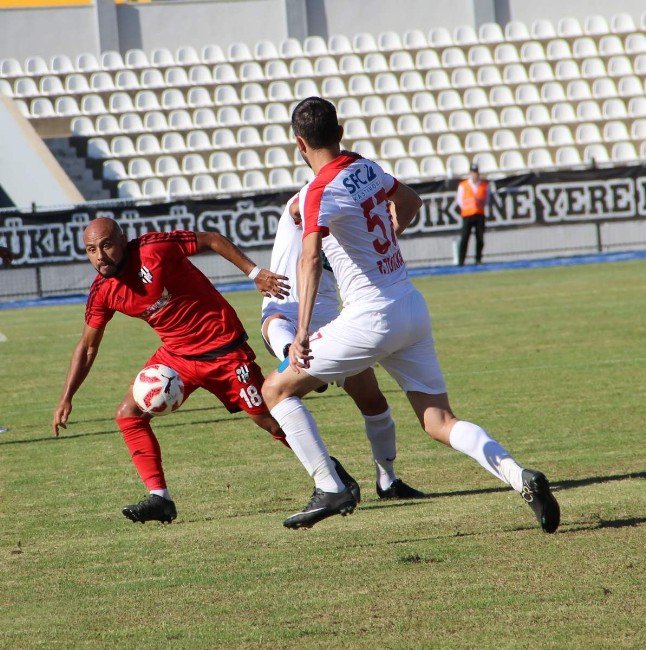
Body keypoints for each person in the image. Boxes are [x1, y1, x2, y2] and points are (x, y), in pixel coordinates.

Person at [261, 97, 560, 534]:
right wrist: (390, 236)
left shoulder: (318, 191)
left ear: (299, 144)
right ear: (340, 132)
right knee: (439, 420)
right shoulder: (365, 167)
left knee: (275, 389)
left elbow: (308, 261)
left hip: (370, 317)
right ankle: (520, 477)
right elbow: (411, 200)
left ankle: (331, 486)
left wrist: (303, 330)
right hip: (410, 306)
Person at [52, 218, 294, 524]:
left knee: (269, 421)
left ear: (122, 240)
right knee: (128, 414)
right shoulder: (103, 291)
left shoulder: (155, 248)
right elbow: (88, 346)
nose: (100, 255)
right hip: (177, 354)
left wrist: (255, 273)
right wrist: (66, 397)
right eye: (91, 250)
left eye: (107, 245)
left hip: (222, 347)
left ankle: (331, 474)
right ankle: (160, 499)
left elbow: (211, 239)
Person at [261, 193, 425, 500]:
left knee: (374, 403)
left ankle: (388, 481)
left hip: (328, 319)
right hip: (286, 305)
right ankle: (293, 359)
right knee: (276, 324)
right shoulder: (313, 198)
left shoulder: (348, 231)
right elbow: (299, 207)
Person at [456, 163, 489, 266]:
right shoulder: (463, 185)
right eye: (473, 172)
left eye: (476, 172)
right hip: (467, 214)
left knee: (480, 238)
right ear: (470, 173)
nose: (475, 175)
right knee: (465, 238)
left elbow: (487, 199)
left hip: (479, 214)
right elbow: (459, 200)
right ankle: (461, 261)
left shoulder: (484, 185)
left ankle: (478, 259)